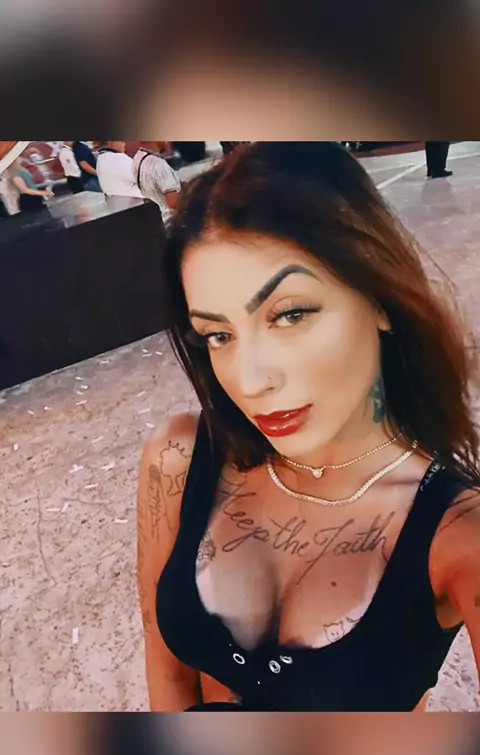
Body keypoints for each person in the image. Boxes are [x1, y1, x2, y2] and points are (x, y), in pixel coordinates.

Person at [137, 142, 480, 712]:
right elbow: (167, 676)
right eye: (219, 335)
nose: (250, 381)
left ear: (380, 298)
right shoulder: (181, 458)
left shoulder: (457, 536)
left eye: (291, 314)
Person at [132, 146, 181, 222]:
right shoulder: (158, 164)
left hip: (162, 219)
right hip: (174, 219)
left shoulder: (137, 158)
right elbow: (173, 203)